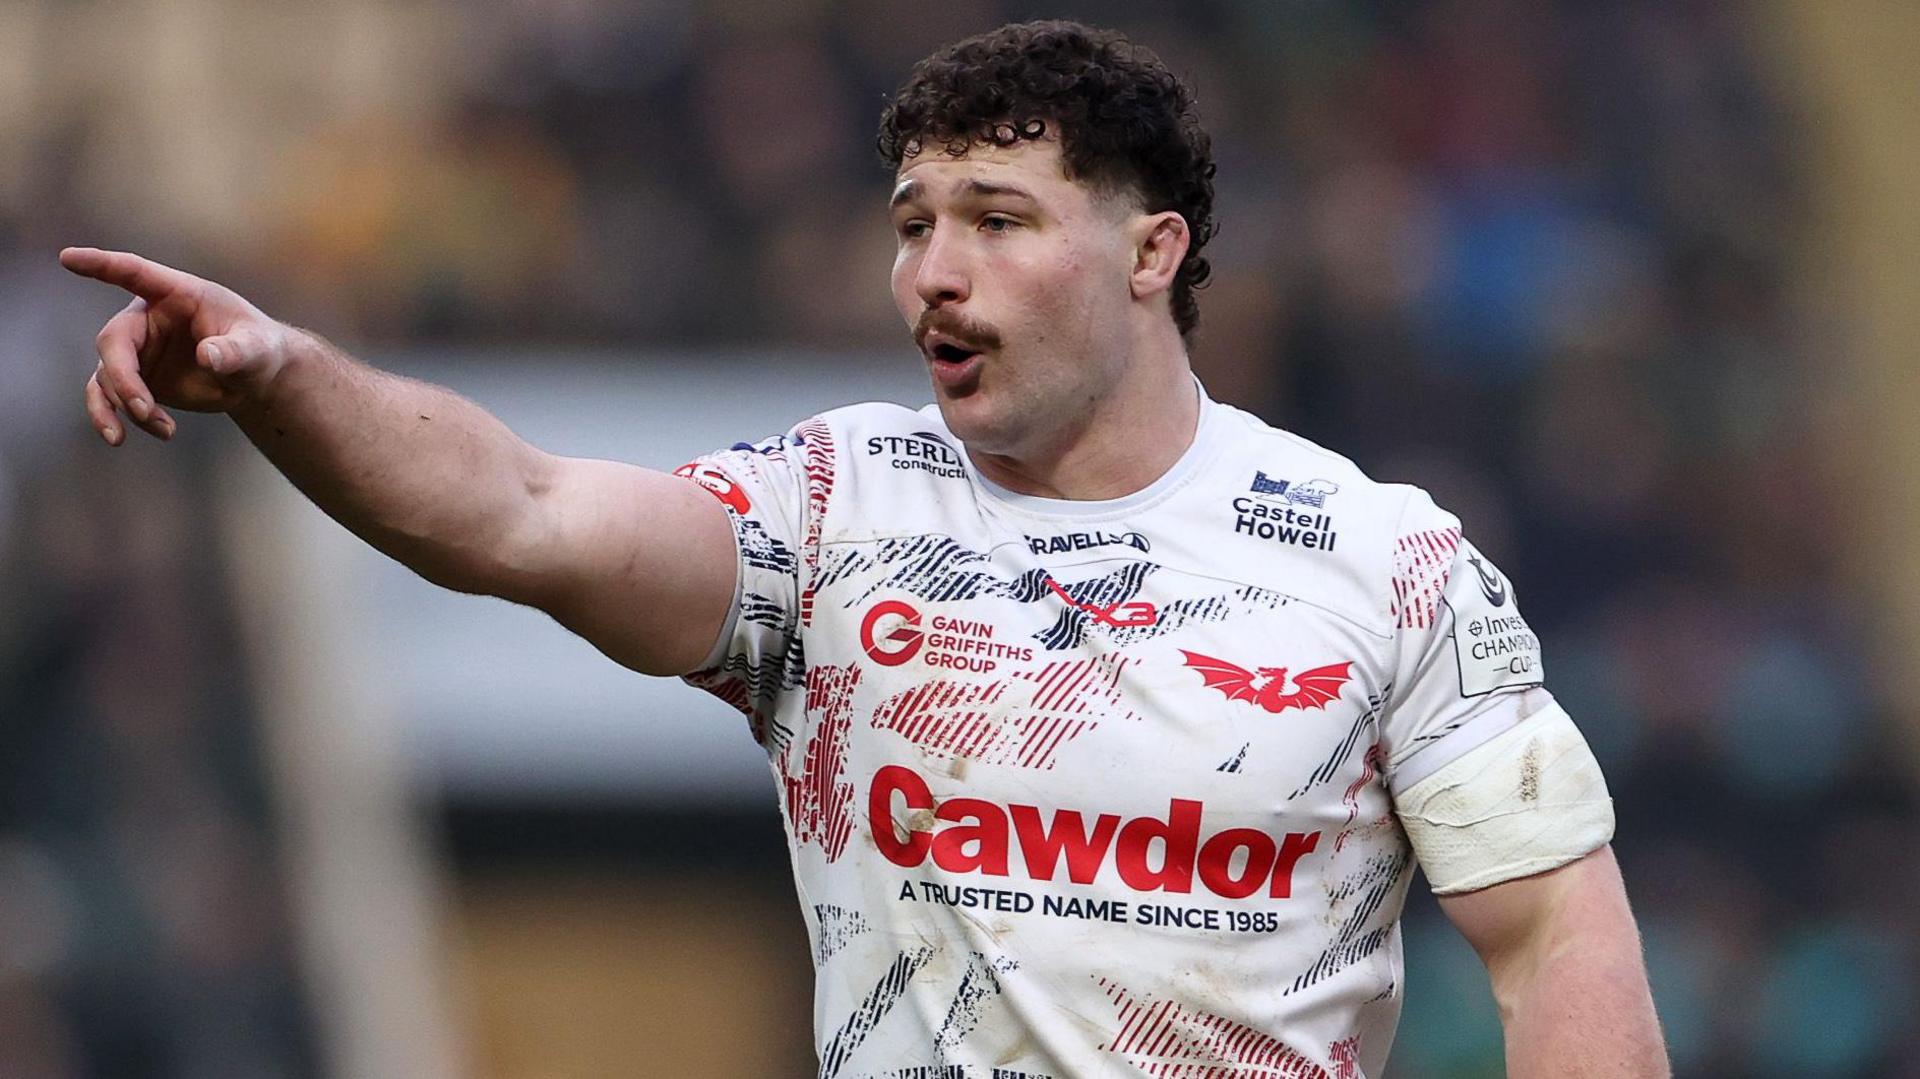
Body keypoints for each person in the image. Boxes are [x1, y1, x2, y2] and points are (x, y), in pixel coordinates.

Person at [64, 20, 1667, 1079]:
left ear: (1150, 253)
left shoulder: (1380, 559)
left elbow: (1555, 930)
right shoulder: (834, 514)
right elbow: (520, 513)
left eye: (999, 218)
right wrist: (286, 377)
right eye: (912, 224)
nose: (933, 276)